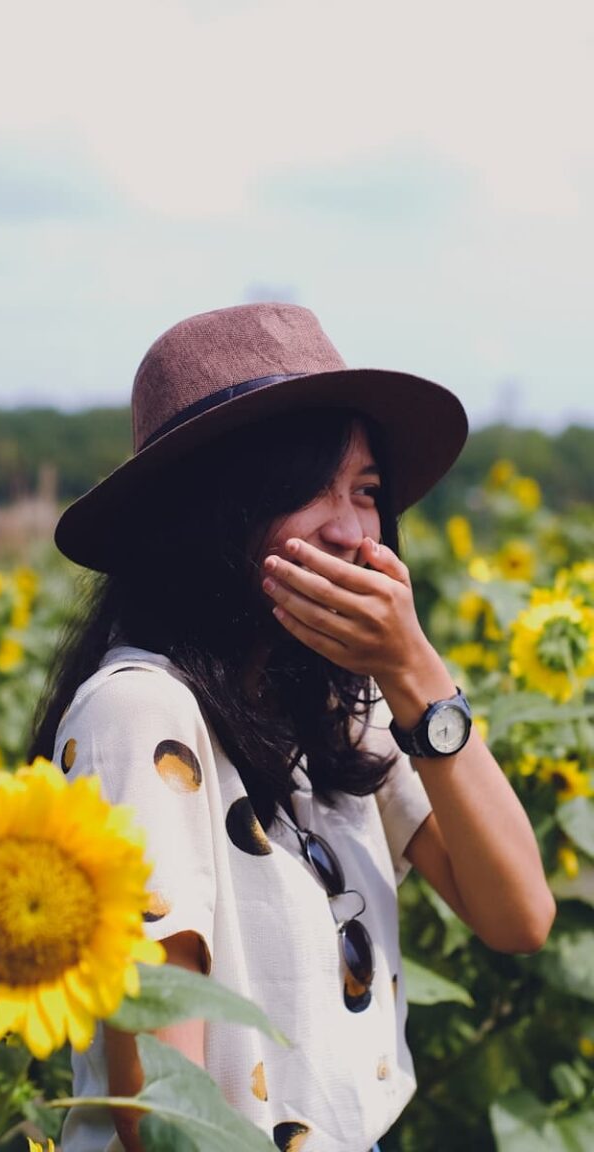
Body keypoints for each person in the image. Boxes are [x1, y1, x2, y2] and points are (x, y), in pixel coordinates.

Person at [29, 303, 555, 1152]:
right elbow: (165, 1112)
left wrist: (417, 673)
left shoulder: (338, 699)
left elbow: (518, 915)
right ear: (206, 518)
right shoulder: (141, 712)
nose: (352, 533)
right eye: (305, 491)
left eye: (367, 493)